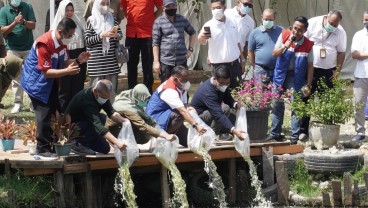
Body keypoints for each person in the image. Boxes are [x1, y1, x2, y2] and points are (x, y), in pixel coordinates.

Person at [20, 17, 91, 155]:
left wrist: (78, 60)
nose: (70, 38)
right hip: (36, 83)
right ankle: (42, 149)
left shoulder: (62, 44)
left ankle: (53, 145)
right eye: (69, 36)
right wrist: (67, 72)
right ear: (60, 32)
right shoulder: (44, 43)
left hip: (49, 82)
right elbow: (46, 72)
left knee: (56, 112)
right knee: (44, 113)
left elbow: (64, 62)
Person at [301, 10, 347, 140]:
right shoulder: (312, 23)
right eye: (331, 23)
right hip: (311, 68)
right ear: (326, 17)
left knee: (327, 99)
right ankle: (303, 130)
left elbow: (341, 52)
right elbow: (303, 42)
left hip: (328, 70)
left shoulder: (340, 31)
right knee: (306, 98)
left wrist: (337, 71)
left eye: (335, 25)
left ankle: (326, 129)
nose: (332, 26)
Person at [269, 16, 314, 144]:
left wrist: (308, 85)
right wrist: (285, 46)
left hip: (296, 77)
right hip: (280, 75)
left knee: (296, 106)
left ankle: (294, 136)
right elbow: (274, 54)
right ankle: (275, 134)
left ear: (305, 31)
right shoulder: (284, 35)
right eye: (294, 28)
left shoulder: (308, 44)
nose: (296, 31)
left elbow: (310, 66)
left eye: (300, 30)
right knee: (277, 104)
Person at [145, 65, 206, 146]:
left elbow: (184, 106)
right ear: (175, 79)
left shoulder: (181, 87)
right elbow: (182, 111)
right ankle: (162, 139)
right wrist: (196, 125)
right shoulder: (169, 90)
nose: (187, 82)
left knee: (190, 143)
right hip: (154, 120)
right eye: (184, 80)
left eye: (187, 79)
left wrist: (190, 109)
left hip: (168, 117)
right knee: (180, 115)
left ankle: (172, 136)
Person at [66, 79, 127, 154]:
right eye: (103, 98)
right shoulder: (86, 100)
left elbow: (110, 111)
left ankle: (87, 143)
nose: (105, 100)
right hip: (77, 126)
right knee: (99, 119)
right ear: (95, 91)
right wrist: (117, 142)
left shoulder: (102, 95)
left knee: (105, 149)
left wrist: (123, 120)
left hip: (89, 124)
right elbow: (97, 125)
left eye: (106, 98)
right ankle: (76, 144)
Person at [106, 84, 176, 143]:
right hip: (115, 131)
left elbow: (145, 115)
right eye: (143, 99)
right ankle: (125, 143)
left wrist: (154, 124)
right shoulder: (129, 108)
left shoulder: (129, 95)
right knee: (145, 135)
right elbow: (143, 126)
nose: (145, 102)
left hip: (119, 126)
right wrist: (164, 135)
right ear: (138, 97)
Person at [198, 0, 244, 89]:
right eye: (213, 8)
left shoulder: (233, 22)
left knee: (237, 91)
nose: (216, 10)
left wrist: (242, 60)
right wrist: (202, 37)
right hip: (218, 66)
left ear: (224, 8)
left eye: (218, 8)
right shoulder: (209, 25)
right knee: (220, 91)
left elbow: (237, 42)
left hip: (234, 64)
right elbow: (201, 41)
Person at [190, 65, 245, 140]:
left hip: (210, 114)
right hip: (199, 118)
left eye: (227, 83)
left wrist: (235, 104)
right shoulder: (208, 92)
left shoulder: (220, 85)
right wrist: (234, 130)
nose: (225, 85)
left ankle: (220, 132)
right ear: (215, 78)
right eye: (222, 83)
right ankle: (211, 135)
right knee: (224, 109)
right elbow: (218, 114)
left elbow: (228, 98)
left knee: (228, 111)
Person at [50, 0, 87, 113]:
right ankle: (63, 113)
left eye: (71, 10)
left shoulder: (77, 22)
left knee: (77, 86)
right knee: (64, 87)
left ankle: (76, 113)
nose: (69, 13)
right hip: (65, 56)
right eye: (67, 10)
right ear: (62, 10)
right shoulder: (58, 25)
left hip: (79, 56)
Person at [0, 0, 36, 114]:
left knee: (31, 75)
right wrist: (15, 23)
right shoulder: (4, 10)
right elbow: (2, 31)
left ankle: (32, 103)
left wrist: (23, 21)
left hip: (28, 47)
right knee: (15, 78)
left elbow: (33, 25)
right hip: (12, 48)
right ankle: (17, 103)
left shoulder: (28, 6)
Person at [121, 0, 163, 92]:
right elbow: (123, 9)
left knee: (147, 65)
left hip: (147, 33)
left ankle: (147, 92)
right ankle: (131, 91)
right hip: (132, 33)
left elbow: (160, 8)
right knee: (131, 64)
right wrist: (131, 19)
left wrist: (152, 18)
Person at [85, 0, 123, 100]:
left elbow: (120, 35)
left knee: (111, 87)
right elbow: (88, 40)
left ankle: (110, 109)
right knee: (95, 87)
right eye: (102, 3)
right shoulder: (91, 20)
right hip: (97, 61)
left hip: (111, 60)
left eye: (107, 4)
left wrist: (115, 35)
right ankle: (94, 108)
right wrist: (101, 35)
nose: (105, 6)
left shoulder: (112, 18)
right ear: (97, 4)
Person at [152, 0, 196, 82]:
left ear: (176, 6)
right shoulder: (158, 22)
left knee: (182, 85)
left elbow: (192, 33)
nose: (171, 8)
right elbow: (155, 43)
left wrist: (190, 49)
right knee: (166, 87)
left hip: (181, 60)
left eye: (173, 6)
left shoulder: (182, 19)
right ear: (163, 7)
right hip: (166, 62)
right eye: (168, 6)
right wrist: (156, 62)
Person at [248, 8, 282, 84]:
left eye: (270, 20)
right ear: (262, 17)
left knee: (276, 93)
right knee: (260, 93)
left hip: (277, 69)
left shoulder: (280, 31)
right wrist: (253, 66)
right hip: (260, 69)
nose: (268, 22)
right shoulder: (255, 32)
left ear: (274, 18)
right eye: (266, 19)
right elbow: (250, 51)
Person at [351, 10, 368, 141]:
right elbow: (355, 55)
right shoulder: (358, 35)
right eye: (365, 19)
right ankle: (360, 132)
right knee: (359, 105)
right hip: (361, 75)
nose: (366, 22)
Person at [224, 0, 254, 65]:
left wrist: (244, 61)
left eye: (250, 5)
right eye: (245, 4)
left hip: (237, 59)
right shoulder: (226, 14)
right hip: (223, 57)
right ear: (238, 2)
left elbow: (246, 43)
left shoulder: (250, 21)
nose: (247, 7)